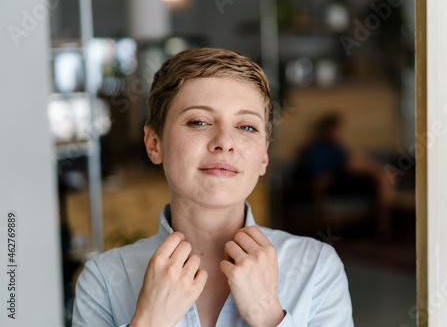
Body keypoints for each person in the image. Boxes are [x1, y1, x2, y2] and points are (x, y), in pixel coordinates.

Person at [72, 48, 353, 327]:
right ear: (153, 143)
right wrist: (149, 322)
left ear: (264, 156)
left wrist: (267, 315)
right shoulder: (104, 280)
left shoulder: (316, 268)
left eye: (246, 127)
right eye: (199, 122)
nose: (225, 142)